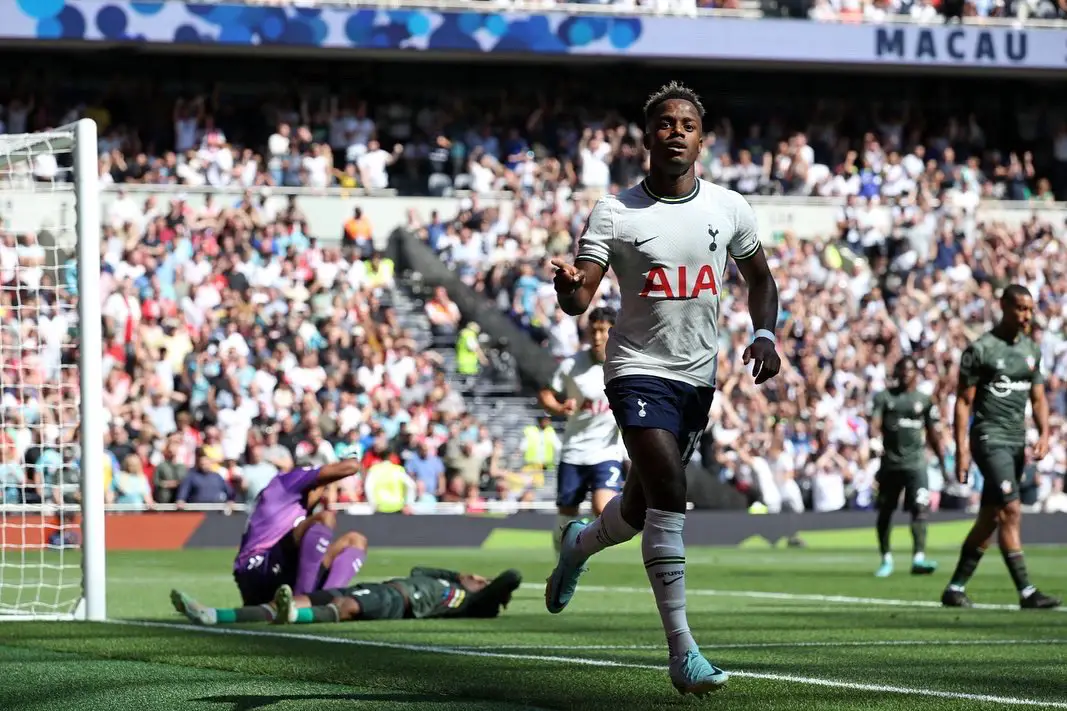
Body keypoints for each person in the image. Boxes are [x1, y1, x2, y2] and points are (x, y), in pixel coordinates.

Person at [544, 81, 782, 696]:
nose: (675, 131)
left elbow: (761, 277)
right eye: (664, 124)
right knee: (671, 495)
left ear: (701, 140)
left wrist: (764, 333)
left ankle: (579, 544)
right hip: (635, 368)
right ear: (647, 137)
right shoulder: (615, 212)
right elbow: (580, 300)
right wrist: (567, 287)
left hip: (697, 378)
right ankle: (682, 650)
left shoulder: (729, 209)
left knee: (639, 505)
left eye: (686, 124)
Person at [942, 285, 1060, 609]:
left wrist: (1045, 434)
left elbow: (1038, 398)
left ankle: (954, 588)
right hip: (988, 437)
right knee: (1011, 509)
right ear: (1003, 306)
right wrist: (962, 450)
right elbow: (963, 403)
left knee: (991, 517)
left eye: (1030, 309)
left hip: (1016, 442)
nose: (1027, 316)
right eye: (1021, 308)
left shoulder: (1031, 351)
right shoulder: (981, 349)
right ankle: (1026, 591)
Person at [538, 307, 625, 551]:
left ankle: (584, 538)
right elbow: (546, 393)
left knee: (604, 508)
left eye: (602, 331)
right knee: (566, 514)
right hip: (574, 450)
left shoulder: (625, 364)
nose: (597, 337)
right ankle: (562, 561)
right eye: (593, 330)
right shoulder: (570, 365)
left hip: (606, 451)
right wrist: (558, 407)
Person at [171, 567, 522, 625]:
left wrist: (480, 585)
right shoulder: (454, 584)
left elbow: (512, 576)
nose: (477, 577)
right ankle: (215, 614)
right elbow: (418, 569)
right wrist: (457, 574)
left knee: (348, 608)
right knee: (309, 596)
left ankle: (293, 617)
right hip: (382, 585)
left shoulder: (474, 602)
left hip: (399, 602)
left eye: (483, 580)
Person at [233, 459, 368, 608]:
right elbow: (351, 466)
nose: (322, 495)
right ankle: (301, 600)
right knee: (325, 518)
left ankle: (326, 602)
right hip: (256, 569)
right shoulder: (287, 480)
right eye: (323, 488)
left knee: (356, 540)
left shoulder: (298, 505)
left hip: (282, 572)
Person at [869, 356, 946, 578]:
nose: (905, 374)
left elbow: (933, 434)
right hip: (890, 464)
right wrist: (874, 440)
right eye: (901, 370)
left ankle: (919, 558)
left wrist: (943, 463)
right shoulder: (884, 398)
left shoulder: (924, 400)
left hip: (916, 464)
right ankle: (886, 558)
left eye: (910, 370)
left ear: (916, 373)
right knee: (885, 511)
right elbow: (874, 424)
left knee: (920, 509)